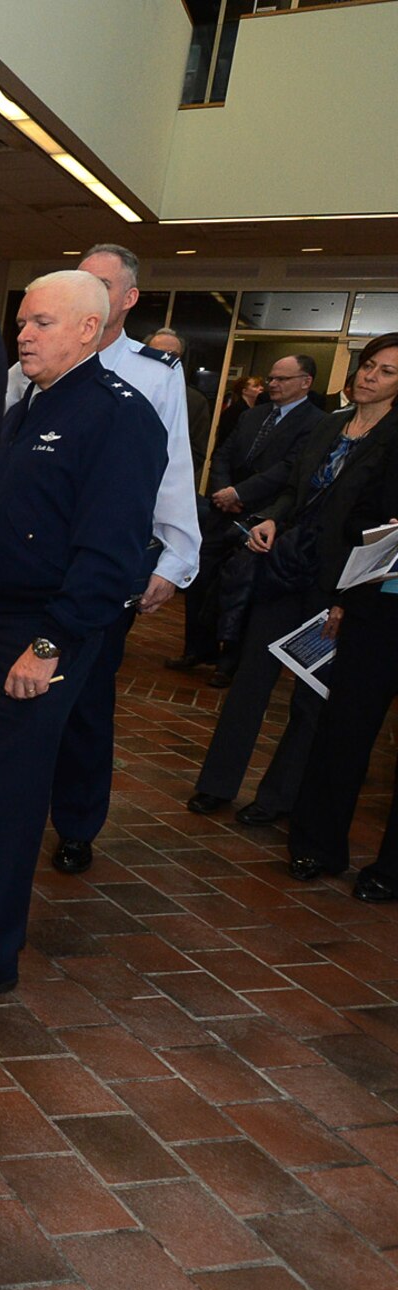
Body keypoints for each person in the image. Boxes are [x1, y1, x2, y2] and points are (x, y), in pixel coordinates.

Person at [0, 272, 162, 1000]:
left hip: (41, 631)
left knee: (12, 795)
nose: (23, 335)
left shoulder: (119, 417)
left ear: (90, 329)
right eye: (21, 322)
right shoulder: (25, 406)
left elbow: (112, 552)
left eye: (42, 323)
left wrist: (50, 644)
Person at [0, 245, 198, 880]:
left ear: (123, 301)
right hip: (28, 577)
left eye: (102, 285)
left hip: (101, 571)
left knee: (85, 706)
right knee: (19, 729)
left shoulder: (151, 375)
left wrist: (177, 556)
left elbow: (171, 472)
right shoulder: (27, 371)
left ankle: (78, 824)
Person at [189, 334, 398, 828]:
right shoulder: (330, 425)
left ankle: (278, 797)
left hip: (340, 584)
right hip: (287, 566)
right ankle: (216, 784)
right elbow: (295, 490)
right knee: (249, 682)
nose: (370, 376)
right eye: (369, 365)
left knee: (310, 697)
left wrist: (351, 594)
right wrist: (273, 520)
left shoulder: (394, 440)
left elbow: (383, 525)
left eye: (386, 371)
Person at [288, 339, 398, 897]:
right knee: (345, 728)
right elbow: (360, 512)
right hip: (380, 604)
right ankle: (315, 845)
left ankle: (391, 872)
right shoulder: (391, 438)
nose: (374, 376)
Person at [191, 356, 325, 685]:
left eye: (282, 379)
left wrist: (241, 493)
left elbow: (290, 470)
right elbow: (223, 453)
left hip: (264, 518)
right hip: (224, 512)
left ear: (305, 382)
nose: (272, 384)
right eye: (271, 378)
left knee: (242, 590)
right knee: (203, 579)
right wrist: (224, 490)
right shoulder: (254, 414)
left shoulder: (317, 423)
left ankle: (229, 661)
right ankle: (198, 648)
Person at [148, 328, 212, 483]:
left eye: (173, 355)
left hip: (164, 482)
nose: (165, 358)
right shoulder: (123, 387)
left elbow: (196, 453)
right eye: (158, 352)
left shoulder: (195, 401)